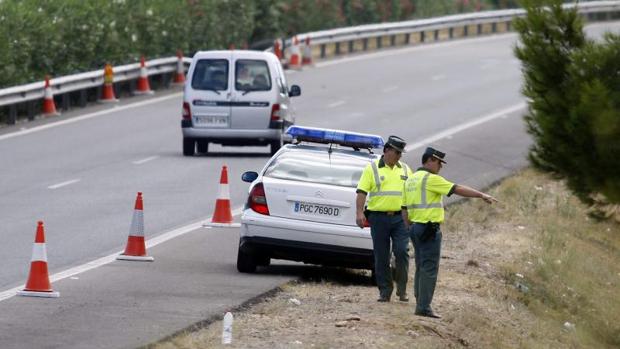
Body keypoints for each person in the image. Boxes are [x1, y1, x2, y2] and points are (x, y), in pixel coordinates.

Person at [404, 147, 497, 318]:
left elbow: (403, 208)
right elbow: (456, 188)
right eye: (439, 163)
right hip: (428, 229)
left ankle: (420, 300)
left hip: (415, 227)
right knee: (429, 268)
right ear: (431, 160)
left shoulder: (411, 179)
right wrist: (481, 194)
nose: (440, 167)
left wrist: (408, 226)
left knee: (420, 266)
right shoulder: (430, 179)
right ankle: (423, 307)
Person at [356, 136, 413, 302]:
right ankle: (385, 291)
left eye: (401, 153)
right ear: (386, 150)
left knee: (402, 252)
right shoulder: (372, 169)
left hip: (400, 218)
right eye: (397, 152)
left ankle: (402, 289)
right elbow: (361, 192)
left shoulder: (405, 169)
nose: (399, 156)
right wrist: (359, 213)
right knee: (381, 256)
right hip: (379, 218)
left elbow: (413, 191)